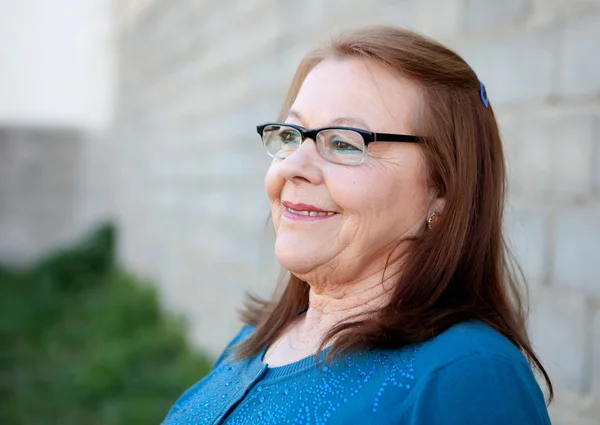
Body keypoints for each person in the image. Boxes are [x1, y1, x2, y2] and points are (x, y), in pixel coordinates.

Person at [162, 26, 553, 424]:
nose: (294, 166)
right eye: (292, 135)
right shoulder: (252, 340)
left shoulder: (466, 374)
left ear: (443, 189)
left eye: (345, 143)